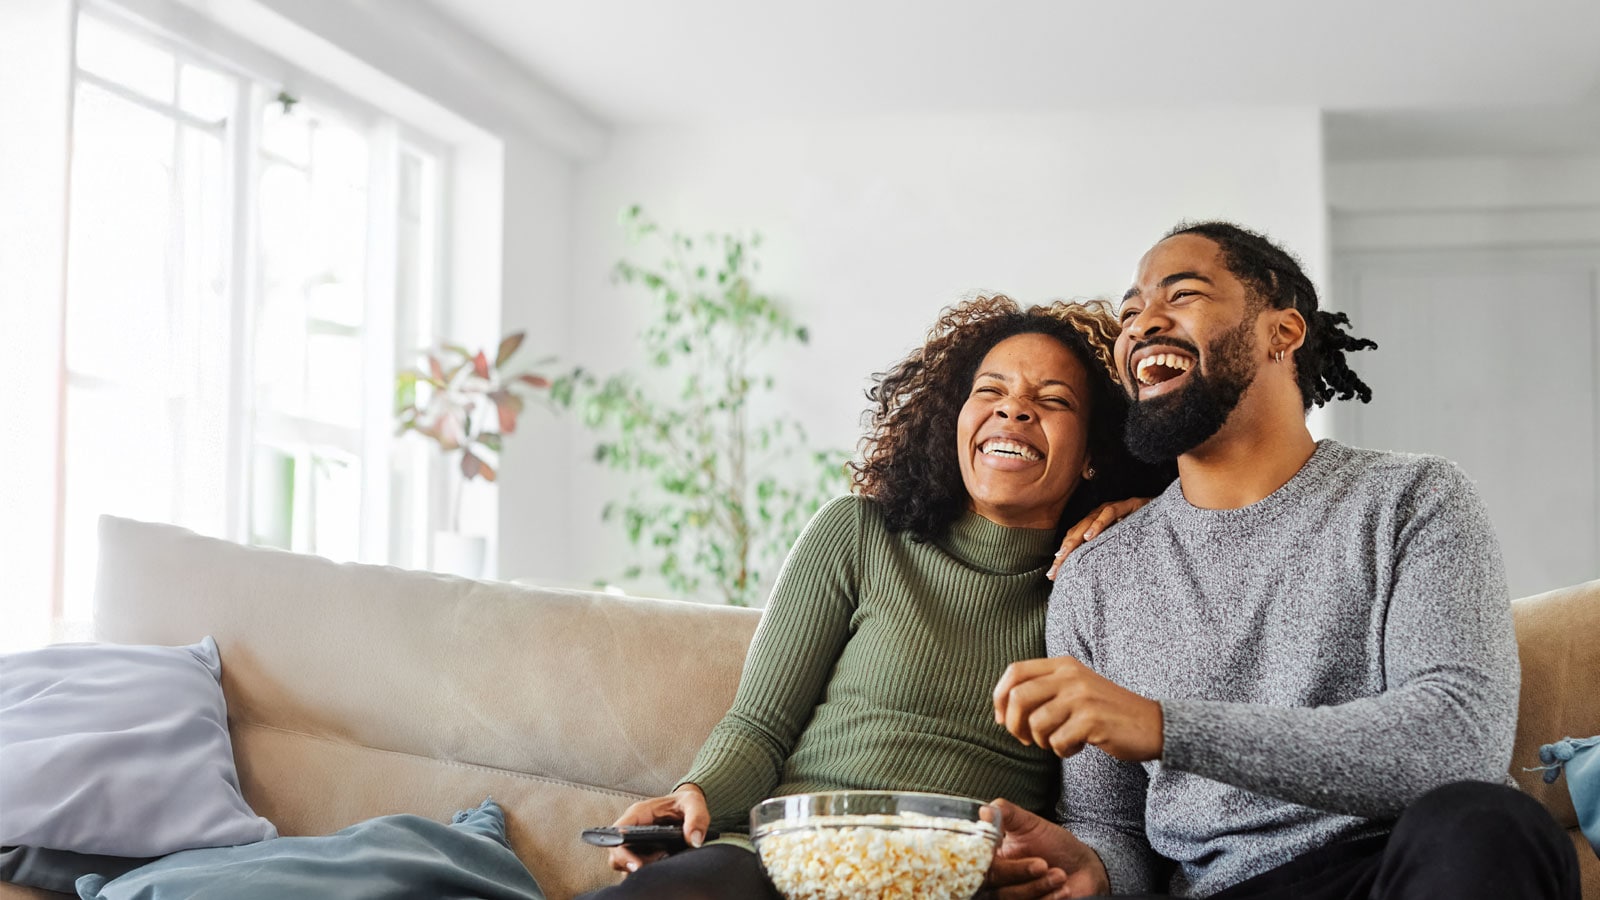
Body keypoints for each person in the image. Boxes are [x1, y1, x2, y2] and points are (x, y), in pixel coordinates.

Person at [983, 222, 1582, 900]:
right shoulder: (1097, 575)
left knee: (1485, 822)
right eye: (1128, 313)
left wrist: (1164, 726)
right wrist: (1093, 868)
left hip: (1408, 868)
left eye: (1181, 294)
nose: (1142, 323)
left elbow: (1456, 742)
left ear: (1283, 333)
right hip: (1224, 892)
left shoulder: (1412, 499)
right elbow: (1111, 825)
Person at [579, 295, 1174, 899]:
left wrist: (1156, 519)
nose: (1013, 411)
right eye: (990, 392)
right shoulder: (858, 533)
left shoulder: (1100, 592)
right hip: (781, 860)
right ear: (956, 421)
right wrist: (694, 796)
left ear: (1095, 453)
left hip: (947, 880)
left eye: (1053, 401)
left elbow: (1104, 820)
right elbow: (761, 726)